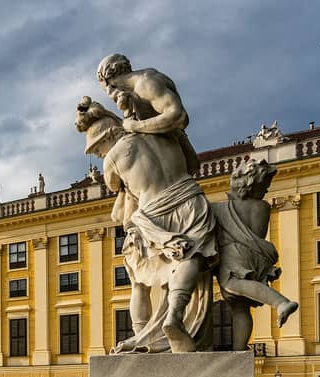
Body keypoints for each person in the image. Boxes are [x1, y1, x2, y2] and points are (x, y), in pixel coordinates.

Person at [75, 95, 217, 353]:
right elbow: (193, 163)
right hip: (188, 198)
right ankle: (175, 314)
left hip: (152, 216)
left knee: (138, 282)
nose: (98, 155)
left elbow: (116, 190)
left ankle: (143, 338)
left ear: (108, 137)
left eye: (97, 149)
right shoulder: (162, 134)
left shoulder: (112, 159)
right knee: (192, 258)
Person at [212, 159, 299, 349]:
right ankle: (239, 349)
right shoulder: (263, 207)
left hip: (234, 253)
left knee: (233, 284)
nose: (266, 191)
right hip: (258, 257)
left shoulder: (219, 209)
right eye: (264, 187)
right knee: (240, 306)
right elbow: (256, 235)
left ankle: (281, 303)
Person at [95, 53, 199, 176]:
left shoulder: (146, 83)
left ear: (109, 83)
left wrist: (134, 126)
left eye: (107, 90)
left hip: (173, 162)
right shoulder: (137, 91)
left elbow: (178, 116)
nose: (112, 95)